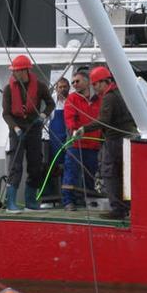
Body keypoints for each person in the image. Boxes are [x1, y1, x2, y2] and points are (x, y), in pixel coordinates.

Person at [79, 66, 136, 220]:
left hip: (115, 141)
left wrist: (84, 129)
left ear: (103, 82)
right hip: (128, 138)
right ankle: (128, 207)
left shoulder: (109, 97)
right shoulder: (121, 93)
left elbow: (104, 120)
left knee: (109, 173)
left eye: (95, 84)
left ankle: (117, 209)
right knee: (125, 175)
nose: (95, 89)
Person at [2, 54, 55, 213]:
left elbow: (50, 104)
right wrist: (15, 128)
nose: (13, 73)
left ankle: (30, 202)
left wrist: (43, 116)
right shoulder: (8, 89)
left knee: (35, 164)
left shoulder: (40, 86)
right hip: (16, 130)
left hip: (34, 129)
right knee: (15, 166)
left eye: (16, 71)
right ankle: (10, 202)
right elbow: (6, 113)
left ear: (24, 71)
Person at [61, 68, 101, 211]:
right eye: (73, 82)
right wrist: (74, 130)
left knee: (90, 174)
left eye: (77, 81)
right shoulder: (72, 99)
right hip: (76, 143)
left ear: (87, 81)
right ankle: (68, 201)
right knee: (71, 172)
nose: (74, 84)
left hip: (93, 144)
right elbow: (69, 118)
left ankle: (88, 200)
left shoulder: (99, 99)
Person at [40, 77, 70, 201]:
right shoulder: (51, 101)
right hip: (52, 139)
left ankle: (67, 195)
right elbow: (44, 120)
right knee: (50, 167)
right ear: (56, 88)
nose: (62, 89)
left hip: (68, 138)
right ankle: (49, 196)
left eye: (65, 87)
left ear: (68, 87)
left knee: (68, 167)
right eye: (60, 87)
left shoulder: (72, 100)